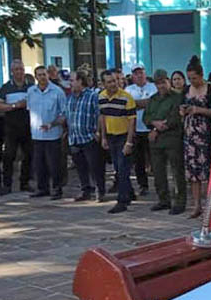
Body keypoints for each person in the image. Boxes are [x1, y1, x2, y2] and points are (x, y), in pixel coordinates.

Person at [180, 56, 211, 218]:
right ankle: (197, 205)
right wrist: (183, 111)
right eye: (189, 78)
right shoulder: (186, 90)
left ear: (201, 75)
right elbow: (181, 108)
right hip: (189, 135)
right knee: (192, 172)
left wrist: (198, 110)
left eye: (194, 78)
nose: (192, 81)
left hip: (206, 135)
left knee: (208, 171)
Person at [144, 71, 185, 214]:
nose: (161, 86)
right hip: (156, 141)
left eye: (163, 82)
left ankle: (180, 202)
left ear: (168, 81)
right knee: (158, 172)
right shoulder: (153, 99)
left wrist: (158, 127)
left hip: (172, 138)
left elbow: (175, 117)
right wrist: (154, 124)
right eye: (158, 83)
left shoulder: (177, 97)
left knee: (177, 172)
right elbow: (146, 117)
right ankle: (163, 200)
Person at [98, 70, 138, 214]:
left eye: (115, 80)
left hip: (123, 136)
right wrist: (103, 137)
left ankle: (122, 201)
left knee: (122, 169)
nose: (113, 84)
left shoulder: (126, 97)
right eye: (109, 82)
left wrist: (129, 142)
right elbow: (103, 117)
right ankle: (130, 193)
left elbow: (132, 121)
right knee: (118, 168)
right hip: (111, 136)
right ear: (103, 84)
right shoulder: (101, 97)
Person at [26, 65, 66, 200]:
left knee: (54, 164)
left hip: (53, 135)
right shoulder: (31, 91)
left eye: (44, 74)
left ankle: (57, 188)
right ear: (35, 77)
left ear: (48, 75)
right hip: (36, 135)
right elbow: (29, 110)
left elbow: (64, 113)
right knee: (39, 164)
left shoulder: (57, 91)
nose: (42, 77)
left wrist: (52, 124)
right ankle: (42, 188)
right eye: (39, 75)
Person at [66, 70, 105, 203]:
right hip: (74, 138)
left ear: (80, 81)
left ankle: (100, 190)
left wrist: (98, 132)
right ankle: (85, 190)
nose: (70, 83)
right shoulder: (70, 97)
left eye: (72, 80)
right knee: (80, 167)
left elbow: (99, 115)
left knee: (95, 166)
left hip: (89, 137)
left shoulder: (92, 96)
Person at [0, 59, 32, 194]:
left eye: (21, 69)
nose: (19, 72)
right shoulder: (6, 87)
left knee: (29, 155)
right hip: (11, 126)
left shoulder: (31, 87)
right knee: (9, 156)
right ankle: (7, 184)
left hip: (28, 125)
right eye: (16, 70)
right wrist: (14, 106)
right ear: (12, 72)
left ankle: (25, 182)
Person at [125, 63, 157, 196]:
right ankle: (142, 185)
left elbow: (153, 104)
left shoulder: (153, 87)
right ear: (132, 76)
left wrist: (137, 104)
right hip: (136, 129)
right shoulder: (128, 90)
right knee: (139, 161)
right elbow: (128, 106)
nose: (139, 75)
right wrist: (143, 103)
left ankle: (159, 184)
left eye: (141, 72)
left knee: (155, 159)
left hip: (151, 128)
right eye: (136, 73)